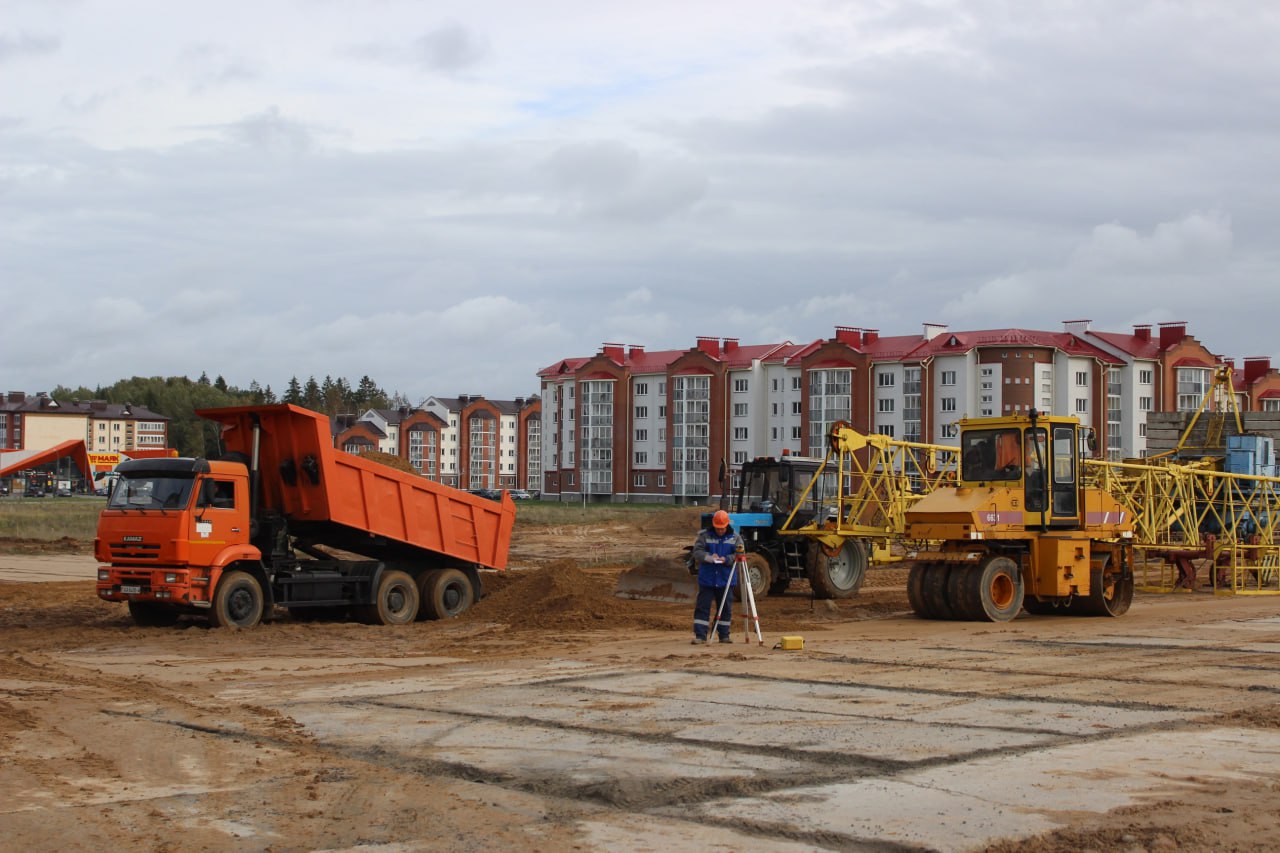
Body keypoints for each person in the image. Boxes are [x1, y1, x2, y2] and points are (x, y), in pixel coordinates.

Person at [690, 509, 745, 644]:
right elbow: (697, 551)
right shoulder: (704, 536)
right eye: (718, 528)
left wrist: (727, 559)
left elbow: (740, 554)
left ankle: (724, 634)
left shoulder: (735, 538)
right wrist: (708, 557)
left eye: (722, 528)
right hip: (707, 578)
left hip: (725, 579)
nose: (720, 531)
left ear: (727, 525)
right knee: (703, 607)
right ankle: (700, 635)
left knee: (725, 608)